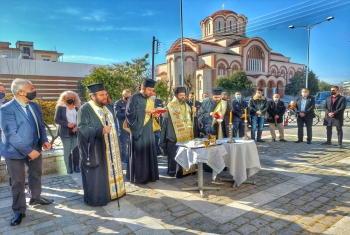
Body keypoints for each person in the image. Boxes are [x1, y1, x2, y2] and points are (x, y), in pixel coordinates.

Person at [1, 78, 53, 226]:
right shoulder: (6, 109)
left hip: (35, 148)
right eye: (32, 89)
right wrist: (28, 151)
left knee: (36, 174)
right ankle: (18, 210)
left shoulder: (35, 106)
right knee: (17, 182)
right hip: (15, 151)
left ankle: (35, 197)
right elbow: (11, 134)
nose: (34, 91)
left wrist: (44, 140)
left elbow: (40, 125)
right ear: (21, 92)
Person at [77, 83, 125, 206]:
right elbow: (82, 128)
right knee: (98, 174)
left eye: (105, 94)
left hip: (110, 146)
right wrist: (100, 131)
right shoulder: (86, 109)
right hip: (96, 147)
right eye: (101, 95)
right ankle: (99, 197)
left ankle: (113, 193)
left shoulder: (106, 107)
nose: (105, 96)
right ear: (92, 96)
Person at [125, 78, 160, 184]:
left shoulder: (150, 99)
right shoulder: (133, 98)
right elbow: (129, 113)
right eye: (149, 90)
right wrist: (145, 111)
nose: (151, 92)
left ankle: (149, 175)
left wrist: (155, 114)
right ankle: (139, 177)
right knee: (139, 154)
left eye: (152, 90)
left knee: (149, 151)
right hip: (138, 130)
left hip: (148, 128)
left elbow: (151, 113)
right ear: (143, 88)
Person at [159, 87, 195, 178]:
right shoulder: (170, 106)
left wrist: (193, 112)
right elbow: (165, 122)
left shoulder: (187, 106)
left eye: (184, 95)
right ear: (176, 95)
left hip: (186, 136)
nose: (183, 97)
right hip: (174, 135)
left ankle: (185, 171)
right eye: (181, 95)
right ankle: (173, 171)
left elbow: (189, 120)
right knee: (174, 155)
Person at [54, 91, 82, 174]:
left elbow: (82, 119)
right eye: (67, 98)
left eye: (71, 98)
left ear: (74, 98)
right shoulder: (60, 107)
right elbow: (56, 119)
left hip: (76, 130)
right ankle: (69, 167)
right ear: (64, 99)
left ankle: (76, 166)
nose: (69, 99)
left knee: (76, 149)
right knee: (67, 150)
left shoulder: (78, 107)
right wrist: (67, 124)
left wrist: (77, 126)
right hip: (65, 131)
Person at [114, 89, 131, 163]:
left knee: (131, 142)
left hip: (130, 126)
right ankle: (124, 157)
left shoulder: (130, 103)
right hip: (122, 126)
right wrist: (128, 115)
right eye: (126, 97)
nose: (128, 98)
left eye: (129, 97)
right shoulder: (118, 103)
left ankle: (130, 157)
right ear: (123, 95)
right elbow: (117, 115)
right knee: (123, 143)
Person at [0, 83, 11, 185]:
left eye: (3, 91)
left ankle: (14, 179)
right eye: (0, 91)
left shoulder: (8, 103)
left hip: (8, 136)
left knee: (10, 159)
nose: (1, 92)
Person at [151, 90, 164, 156]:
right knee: (153, 138)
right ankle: (156, 151)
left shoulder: (159, 101)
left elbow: (162, 109)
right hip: (152, 123)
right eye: (151, 93)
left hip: (159, 122)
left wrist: (160, 113)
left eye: (154, 93)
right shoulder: (148, 101)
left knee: (158, 138)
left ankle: (158, 151)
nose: (153, 94)